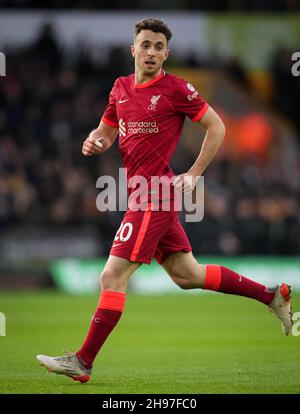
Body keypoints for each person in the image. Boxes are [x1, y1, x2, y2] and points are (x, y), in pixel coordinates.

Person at [36, 18, 293, 383]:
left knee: (112, 275)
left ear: (166, 53)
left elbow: (216, 127)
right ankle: (271, 296)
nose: (152, 52)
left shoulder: (177, 89)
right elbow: (106, 132)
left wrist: (193, 173)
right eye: (146, 44)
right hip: (139, 194)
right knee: (188, 275)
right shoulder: (120, 88)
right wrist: (94, 140)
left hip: (156, 195)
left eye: (159, 47)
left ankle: (83, 361)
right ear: (133, 48)